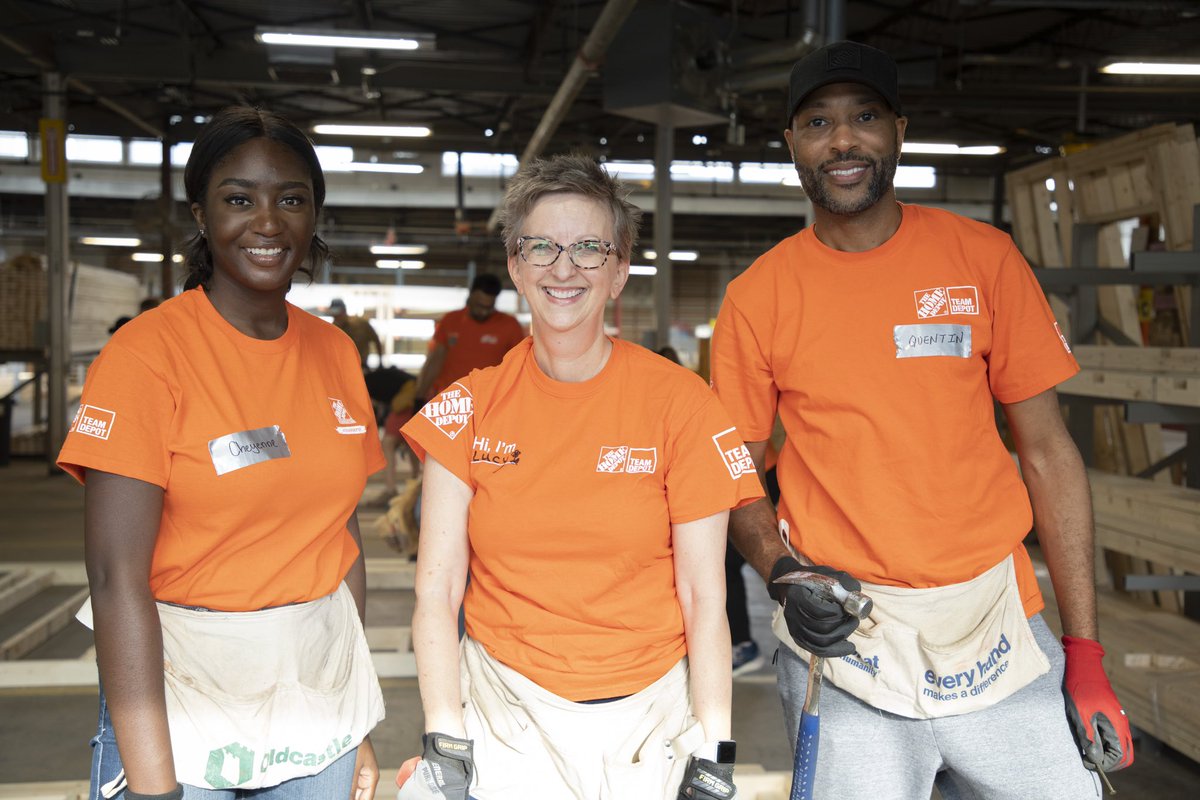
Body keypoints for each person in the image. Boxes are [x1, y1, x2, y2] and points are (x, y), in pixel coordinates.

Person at [711, 41, 1132, 799]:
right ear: (792, 144)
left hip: (999, 628)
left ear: (899, 130)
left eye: (864, 116)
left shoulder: (984, 260)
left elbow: (1048, 453)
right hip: (843, 639)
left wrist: (1086, 651)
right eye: (818, 122)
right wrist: (781, 572)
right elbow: (734, 472)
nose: (842, 140)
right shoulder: (758, 297)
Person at [396, 153, 763, 800]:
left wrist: (714, 747)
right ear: (515, 263)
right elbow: (438, 586)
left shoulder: (683, 406)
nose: (563, 268)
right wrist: (443, 729)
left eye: (589, 249)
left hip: (646, 722)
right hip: (503, 712)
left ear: (619, 271)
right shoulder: (466, 410)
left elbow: (705, 598)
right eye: (541, 247)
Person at [57, 106, 385, 800]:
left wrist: (355, 722)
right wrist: (154, 787)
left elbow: (341, 537)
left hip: (314, 705)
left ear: (314, 214)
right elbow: (117, 578)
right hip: (181, 697)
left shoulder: (335, 354)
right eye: (239, 199)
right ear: (203, 216)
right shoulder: (147, 355)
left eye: (290, 200)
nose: (267, 222)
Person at [410, 273, 524, 409]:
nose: (483, 312)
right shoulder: (451, 321)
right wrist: (419, 396)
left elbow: (518, 368)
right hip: (449, 403)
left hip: (488, 405)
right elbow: (434, 360)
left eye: (488, 308)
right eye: (479, 305)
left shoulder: (509, 326)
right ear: (470, 295)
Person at [330, 297, 384, 369]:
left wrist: (380, 363)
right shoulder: (332, 329)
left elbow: (376, 340)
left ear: (345, 311)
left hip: (361, 367)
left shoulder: (361, 324)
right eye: (334, 314)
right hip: (341, 368)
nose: (336, 316)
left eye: (338, 313)